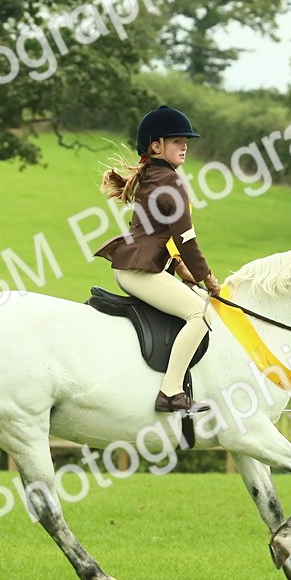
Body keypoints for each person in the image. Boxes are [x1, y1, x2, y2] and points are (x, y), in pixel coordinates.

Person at [94, 104, 220, 413]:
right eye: (177, 140)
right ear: (156, 145)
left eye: (186, 141)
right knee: (201, 313)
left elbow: (159, 233)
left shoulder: (154, 175)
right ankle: (170, 392)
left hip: (139, 267)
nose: (185, 145)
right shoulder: (170, 180)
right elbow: (185, 238)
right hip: (140, 272)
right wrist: (207, 277)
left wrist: (179, 268)